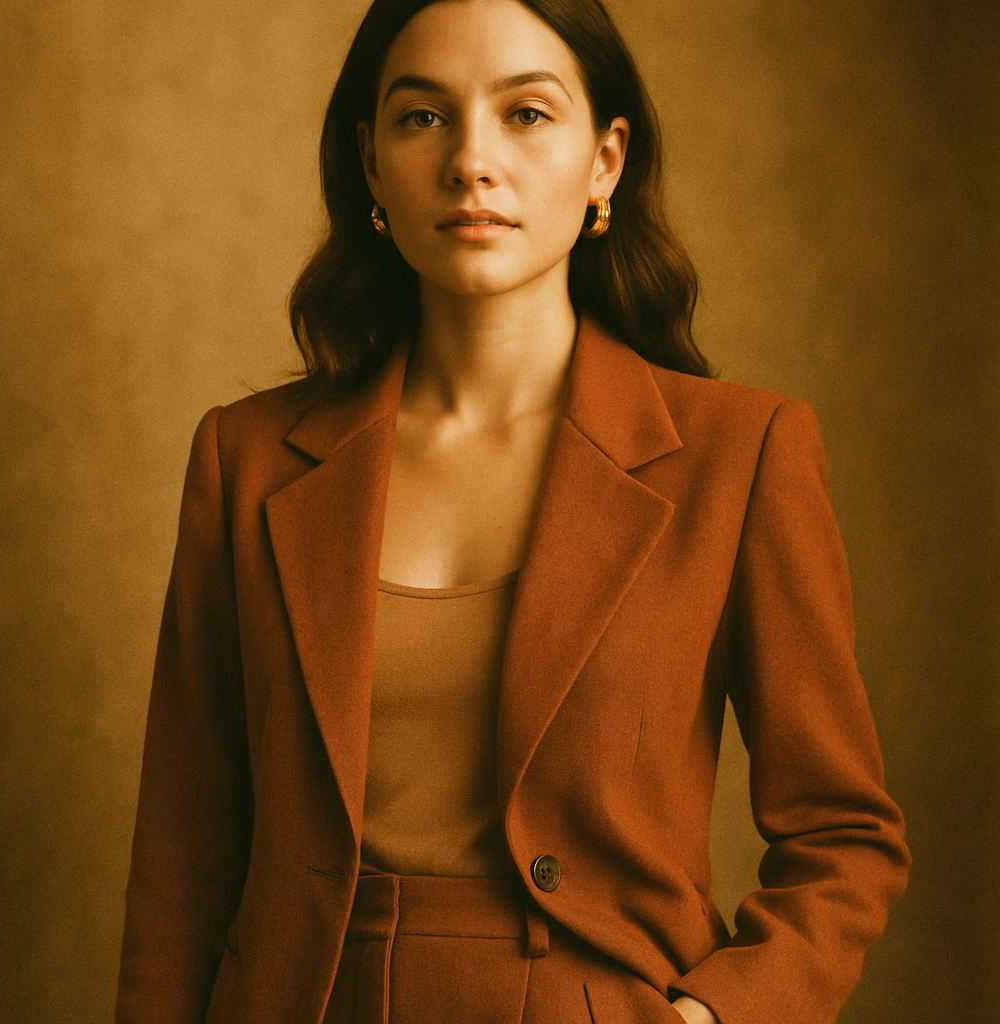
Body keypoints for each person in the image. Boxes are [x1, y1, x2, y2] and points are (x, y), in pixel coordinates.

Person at [115, 1, 910, 1022]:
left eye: (526, 114)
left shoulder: (740, 455)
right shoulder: (248, 458)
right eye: (422, 117)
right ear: (370, 163)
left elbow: (843, 835)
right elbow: (182, 855)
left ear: (605, 161)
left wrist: (711, 1018)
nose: (471, 163)